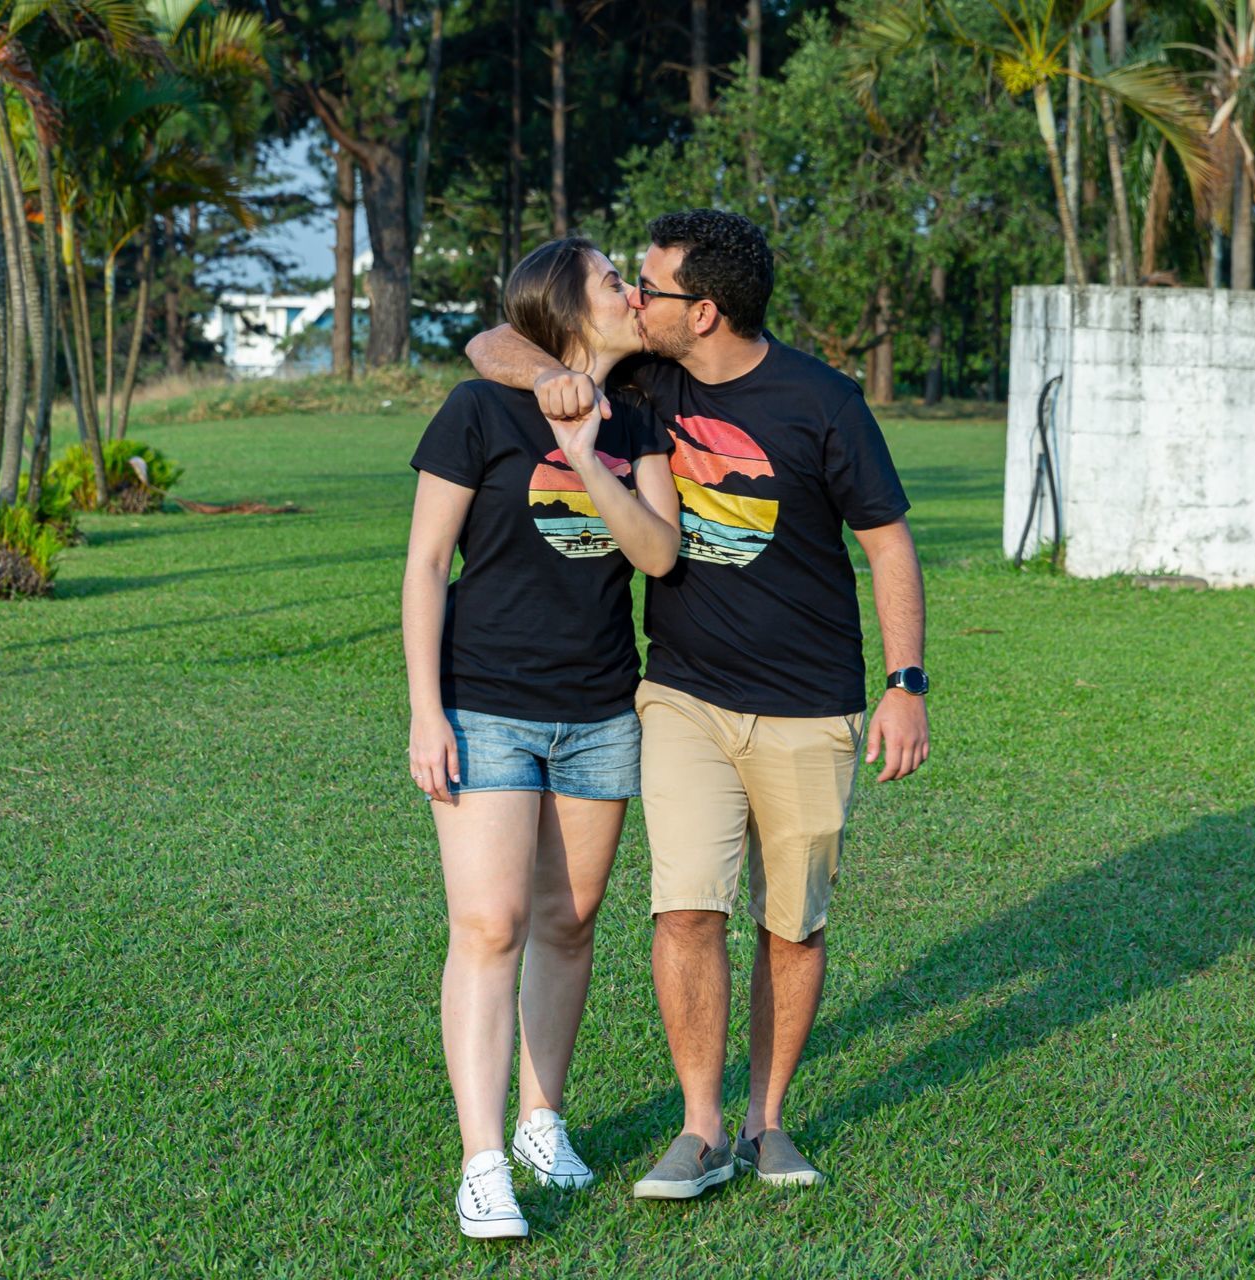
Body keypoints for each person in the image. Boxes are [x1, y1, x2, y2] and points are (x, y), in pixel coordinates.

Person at [467, 209, 930, 1199]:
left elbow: (888, 541)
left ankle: (769, 1124)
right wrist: (546, 375)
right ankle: (700, 1126)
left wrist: (906, 683)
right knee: (685, 909)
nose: (635, 298)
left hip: (811, 705)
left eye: (653, 286)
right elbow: (492, 338)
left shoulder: (823, 400)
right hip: (679, 695)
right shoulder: (643, 381)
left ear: (705, 309)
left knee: (792, 924)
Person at [404, 236, 681, 1239]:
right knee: (488, 924)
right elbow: (428, 564)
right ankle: (483, 1161)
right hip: (485, 703)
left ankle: (540, 1120)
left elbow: (656, 552)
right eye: (613, 278)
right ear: (567, 308)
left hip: (602, 707)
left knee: (571, 918)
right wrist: (424, 709)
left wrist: (581, 454)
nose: (629, 289)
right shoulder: (478, 409)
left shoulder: (641, 417)